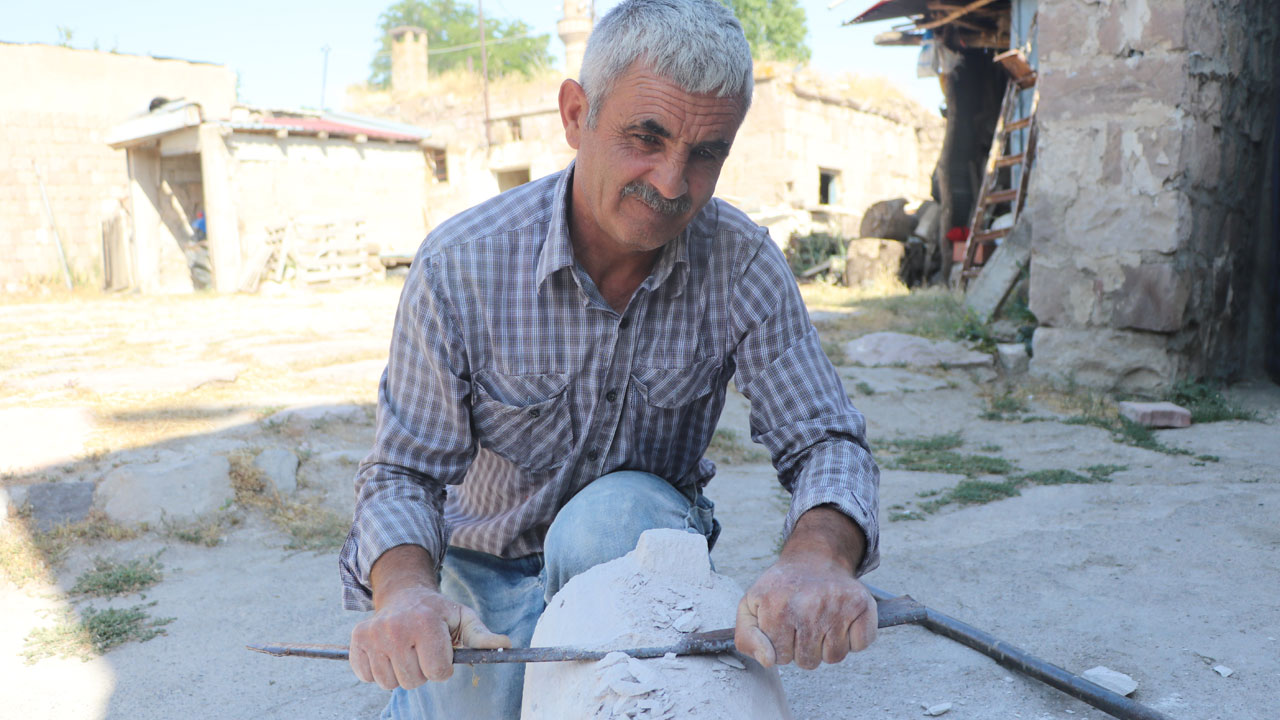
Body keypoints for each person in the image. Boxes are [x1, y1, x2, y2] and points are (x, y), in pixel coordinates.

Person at [339, 1, 881, 717]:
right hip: (486, 576)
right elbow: (404, 472)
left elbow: (824, 439)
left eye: (706, 152)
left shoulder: (741, 263)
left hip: (636, 557)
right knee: (471, 701)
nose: (669, 183)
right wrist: (406, 592)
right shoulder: (460, 266)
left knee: (611, 514)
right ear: (574, 115)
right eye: (644, 137)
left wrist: (818, 555)